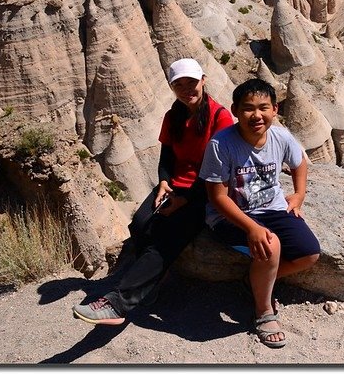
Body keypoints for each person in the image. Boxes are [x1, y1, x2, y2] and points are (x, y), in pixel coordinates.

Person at [72, 58, 234, 325]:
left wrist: (185, 200)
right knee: (139, 225)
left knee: (165, 239)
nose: (186, 89)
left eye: (191, 82)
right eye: (178, 85)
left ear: (203, 80)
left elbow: (219, 170)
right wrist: (163, 183)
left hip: (207, 190)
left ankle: (117, 303)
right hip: (177, 185)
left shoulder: (220, 117)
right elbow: (167, 156)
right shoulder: (174, 117)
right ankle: (152, 283)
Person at [200, 78, 320, 348]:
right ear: (235, 110)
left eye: (263, 108)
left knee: (309, 253)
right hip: (230, 215)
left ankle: (255, 279)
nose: (257, 115)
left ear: (275, 110)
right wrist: (251, 228)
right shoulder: (221, 145)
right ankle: (263, 311)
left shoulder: (280, 137)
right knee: (271, 244)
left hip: (273, 207)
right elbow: (217, 197)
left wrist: (299, 194)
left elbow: (299, 162)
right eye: (248, 108)